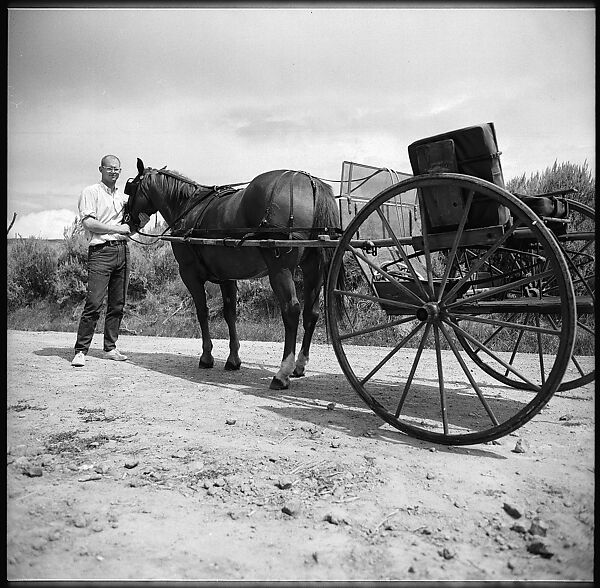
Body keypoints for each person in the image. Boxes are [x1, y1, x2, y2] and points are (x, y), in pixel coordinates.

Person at [71, 155, 148, 367]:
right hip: (100, 252)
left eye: (117, 169)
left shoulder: (123, 199)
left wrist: (142, 219)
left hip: (122, 251)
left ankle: (110, 347)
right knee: (94, 303)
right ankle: (80, 350)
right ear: (101, 169)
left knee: (117, 304)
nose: (113, 172)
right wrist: (117, 229)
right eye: (110, 168)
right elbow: (89, 222)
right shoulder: (91, 192)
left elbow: (131, 226)